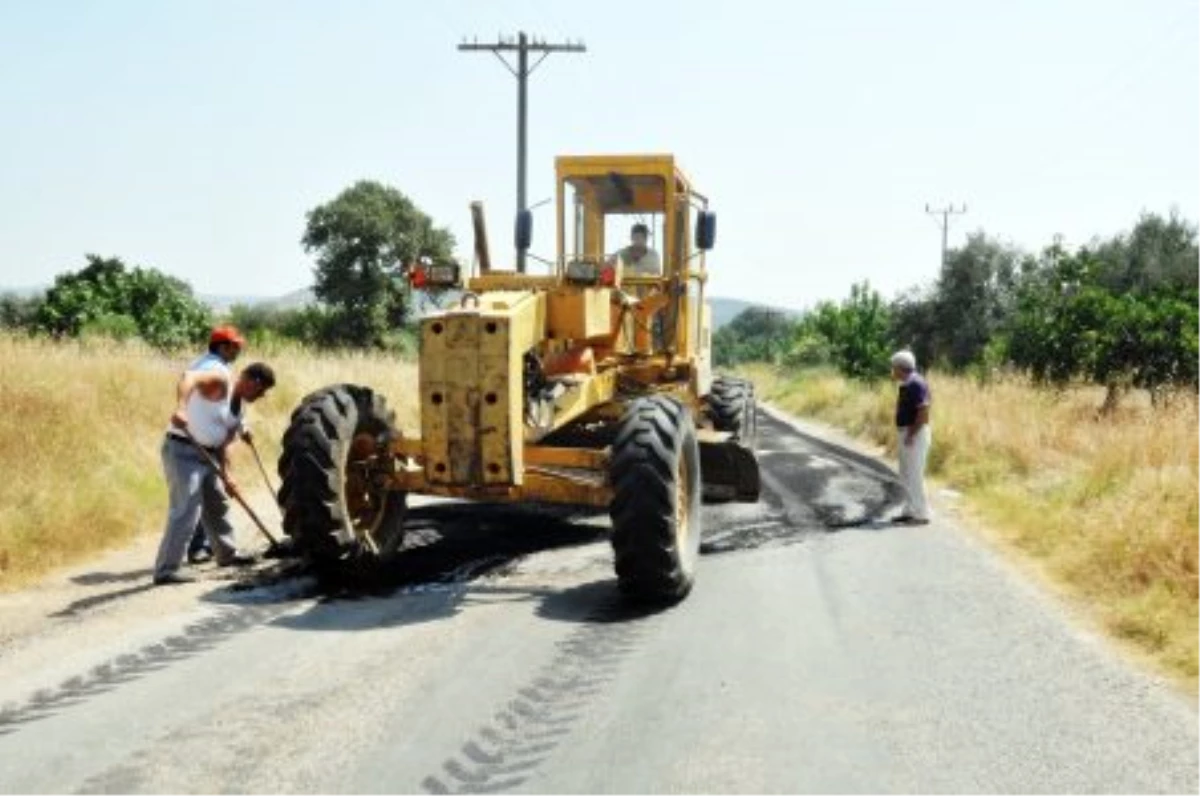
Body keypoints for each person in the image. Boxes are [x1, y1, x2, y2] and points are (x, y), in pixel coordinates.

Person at [153, 361, 276, 585]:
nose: (261, 396)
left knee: (217, 502)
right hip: (183, 449)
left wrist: (227, 474)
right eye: (262, 390)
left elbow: (226, 442)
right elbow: (188, 377)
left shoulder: (240, 408)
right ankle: (166, 570)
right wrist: (181, 407)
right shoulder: (221, 381)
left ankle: (227, 555)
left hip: (208, 456)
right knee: (187, 507)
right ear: (252, 381)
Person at [185, 326, 245, 564]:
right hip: (199, 443)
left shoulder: (208, 364)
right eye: (235, 346)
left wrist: (242, 426)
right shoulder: (213, 368)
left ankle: (212, 547)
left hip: (203, 440)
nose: (238, 350)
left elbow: (224, 407)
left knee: (213, 497)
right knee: (201, 499)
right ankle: (198, 548)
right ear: (222, 347)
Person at [890, 350, 932, 525]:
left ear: (901, 368)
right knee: (905, 474)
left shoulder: (916, 384)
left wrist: (911, 434)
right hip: (907, 433)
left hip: (914, 434)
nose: (892, 371)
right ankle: (909, 509)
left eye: (894, 367)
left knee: (914, 474)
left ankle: (921, 513)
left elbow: (923, 413)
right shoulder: (907, 383)